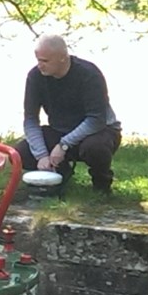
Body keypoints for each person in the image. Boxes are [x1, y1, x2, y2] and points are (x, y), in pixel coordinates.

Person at [16, 34, 122, 193]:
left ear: (62, 58)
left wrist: (63, 145)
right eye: (38, 60)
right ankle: (59, 174)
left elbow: (96, 119)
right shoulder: (35, 76)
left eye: (45, 61)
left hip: (99, 130)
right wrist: (41, 155)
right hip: (60, 129)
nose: (40, 65)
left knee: (95, 148)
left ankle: (102, 185)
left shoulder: (89, 74)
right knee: (20, 152)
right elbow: (31, 119)